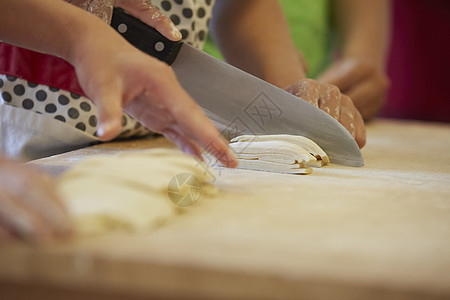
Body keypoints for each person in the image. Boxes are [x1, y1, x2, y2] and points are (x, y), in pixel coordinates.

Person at [0, 0, 365, 241]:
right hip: (22, 145)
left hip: (150, 140)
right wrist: (76, 32)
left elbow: (243, 7)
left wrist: (285, 95)